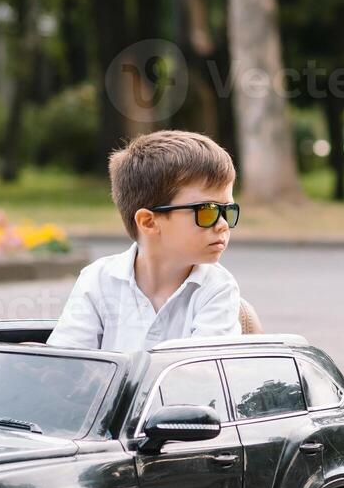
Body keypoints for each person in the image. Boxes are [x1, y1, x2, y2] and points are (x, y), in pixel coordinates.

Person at [46, 130, 242, 352]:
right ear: (148, 222)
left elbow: (200, 373)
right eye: (208, 211)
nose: (223, 224)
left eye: (228, 210)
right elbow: (70, 362)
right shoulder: (98, 280)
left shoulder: (217, 288)